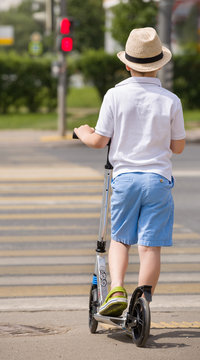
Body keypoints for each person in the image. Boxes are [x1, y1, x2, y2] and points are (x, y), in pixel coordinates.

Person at [74, 27, 186, 317]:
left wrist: (82, 132)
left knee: (121, 239)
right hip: (159, 181)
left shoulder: (114, 95)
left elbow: (99, 141)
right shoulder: (171, 100)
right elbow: (178, 147)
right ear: (160, 64)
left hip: (125, 179)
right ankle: (143, 299)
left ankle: (118, 289)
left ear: (127, 64)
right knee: (150, 247)